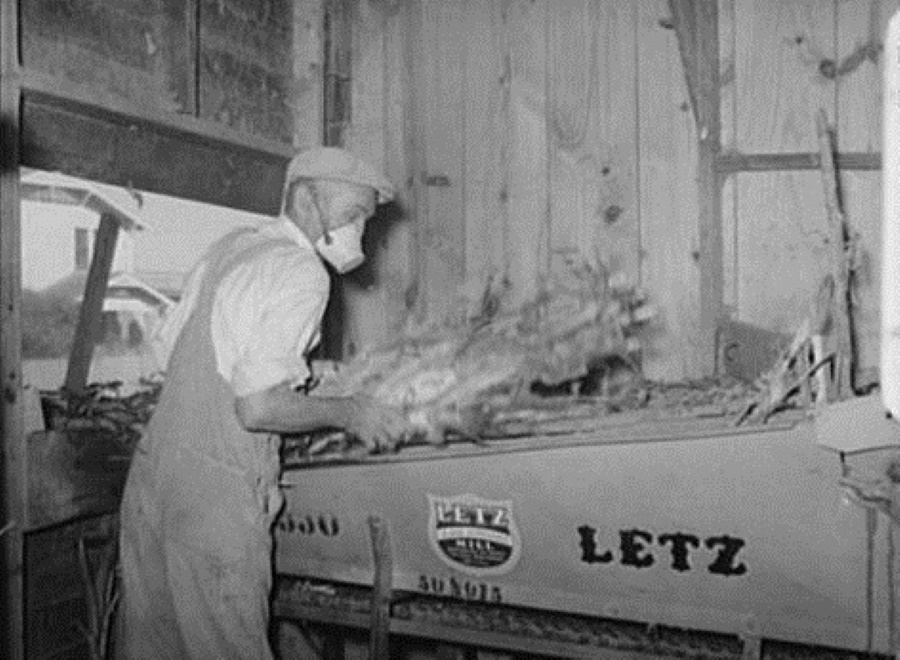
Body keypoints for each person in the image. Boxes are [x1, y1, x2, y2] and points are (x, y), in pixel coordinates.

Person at [116, 147, 408, 659]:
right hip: (216, 496)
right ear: (305, 198)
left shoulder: (233, 247)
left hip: (153, 479)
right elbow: (257, 409)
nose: (359, 228)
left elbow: (179, 351)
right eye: (351, 213)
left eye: (365, 217)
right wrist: (353, 412)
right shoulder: (303, 272)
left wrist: (312, 375)